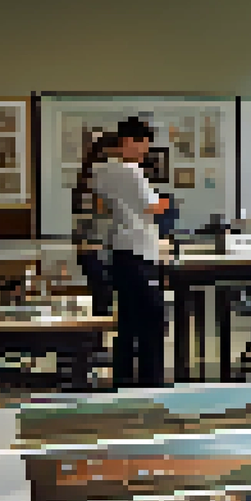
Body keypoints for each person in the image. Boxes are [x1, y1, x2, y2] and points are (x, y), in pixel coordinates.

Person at [94, 117, 169, 388]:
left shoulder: (101, 171)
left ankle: (123, 379)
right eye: (142, 145)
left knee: (128, 319)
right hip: (138, 251)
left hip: (121, 250)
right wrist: (167, 201)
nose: (145, 151)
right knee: (152, 317)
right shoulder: (130, 171)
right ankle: (151, 382)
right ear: (128, 142)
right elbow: (153, 207)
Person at [73, 130, 117, 316]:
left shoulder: (88, 178)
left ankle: (100, 340)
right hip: (97, 247)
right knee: (103, 296)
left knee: (102, 297)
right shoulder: (94, 180)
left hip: (95, 247)